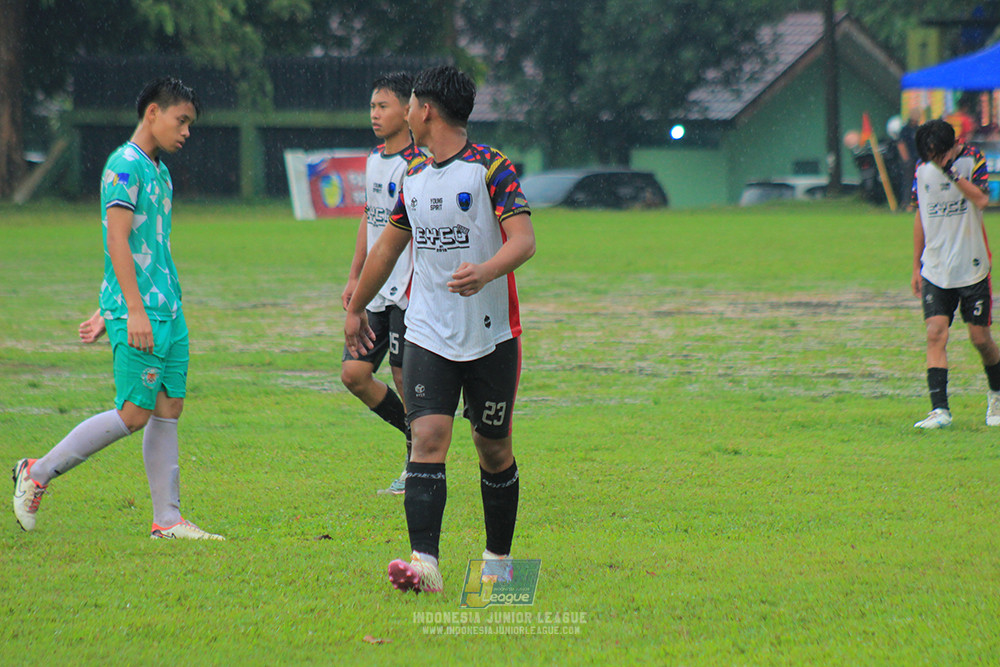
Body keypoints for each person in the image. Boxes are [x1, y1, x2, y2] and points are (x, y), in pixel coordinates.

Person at [344, 65, 535, 593]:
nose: (403, 111)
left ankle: (498, 565)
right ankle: (424, 564)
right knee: (427, 436)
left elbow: (524, 239)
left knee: (492, 449)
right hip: (428, 330)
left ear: (426, 110)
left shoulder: (490, 168)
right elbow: (387, 247)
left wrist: (487, 270)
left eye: (407, 102)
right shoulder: (413, 175)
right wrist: (357, 305)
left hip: (491, 334)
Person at [12, 76, 223, 539]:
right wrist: (129, 310)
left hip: (168, 306)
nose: (186, 131)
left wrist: (108, 308)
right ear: (152, 112)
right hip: (142, 311)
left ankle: (167, 521)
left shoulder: (160, 171)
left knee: (169, 407)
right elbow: (117, 239)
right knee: (132, 413)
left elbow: (147, 248)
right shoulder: (124, 167)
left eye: (190, 123)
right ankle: (37, 472)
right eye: (181, 120)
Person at [340, 73, 427, 495]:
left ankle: (418, 462)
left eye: (384, 106)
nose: (375, 114)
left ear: (408, 113)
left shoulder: (418, 166)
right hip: (375, 290)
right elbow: (370, 219)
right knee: (354, 374)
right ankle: (416, 440)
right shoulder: (375, 159)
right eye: (372, 106)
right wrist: (355, 277)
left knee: (402, 375)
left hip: (408, 293)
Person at [910, 118, 1000, 429]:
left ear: (951, 146)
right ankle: (940, 411)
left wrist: (951, 173)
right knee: (935, 332)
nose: (932, 160)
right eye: (928, 154)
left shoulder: (972, 158)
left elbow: (983, 199)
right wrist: (916, 266)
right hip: (936, 267)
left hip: (972, 266)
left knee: (980, 339)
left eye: (937, 153)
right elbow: (921, 216)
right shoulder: (922, 170)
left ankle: (997, 395)